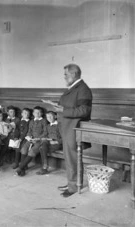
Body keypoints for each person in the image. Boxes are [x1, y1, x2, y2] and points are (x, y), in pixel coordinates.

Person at [54, 64, 92, 198]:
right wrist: (57, 106)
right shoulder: (74, 88)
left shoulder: (83, 89)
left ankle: (74, 186)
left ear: (73, 74)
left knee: (73, 158)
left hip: (74, 128)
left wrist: (63, 110)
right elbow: (70, 105)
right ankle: (71, 182)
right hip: (68, 128)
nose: (64, 77)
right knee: (70, 158)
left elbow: (84, 110)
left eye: (66, 74)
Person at [15, 106, 48, 176]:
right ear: (33, 113)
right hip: (31, 139)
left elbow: (45, 132)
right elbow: (29, 131)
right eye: (36, 112)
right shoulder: (31, 121)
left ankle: (20, 167)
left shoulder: (44, 121)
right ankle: (23, 168)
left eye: (39, 113)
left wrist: (38, 138)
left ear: (41, 114)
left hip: (39, 140)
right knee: (24, 149)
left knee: (32, 151)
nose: (37, 114)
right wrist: (29, 137)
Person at [36, 111, 62, 175]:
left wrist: (56, 141)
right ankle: (45, 167)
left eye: (50, 116)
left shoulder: (60, 125)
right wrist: (37, 138)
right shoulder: (48, 126)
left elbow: (64, 137)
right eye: (47, 117)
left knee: (42, 148)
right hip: (48, 142)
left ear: (55, 116)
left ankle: (44, 167)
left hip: (57, 144)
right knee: (43, 145)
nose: (49, 118)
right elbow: (45, 134)